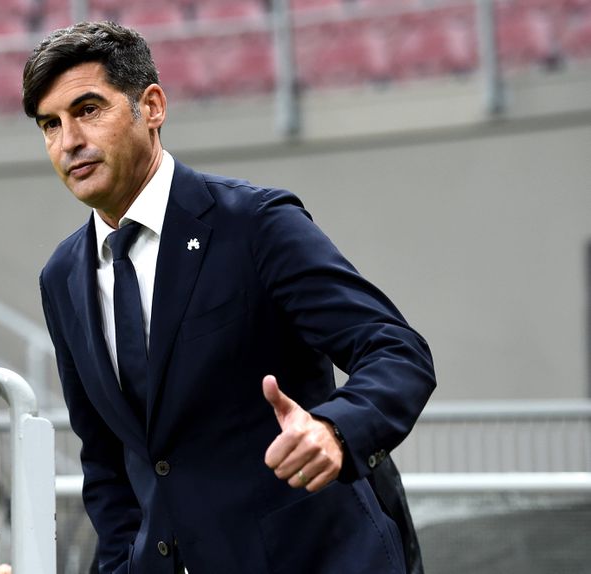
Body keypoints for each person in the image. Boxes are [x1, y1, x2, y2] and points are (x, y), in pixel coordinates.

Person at [25, 21, 436, 574]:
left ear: (152, 107)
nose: (69, 141)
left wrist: (336, 429)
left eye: (89, 110)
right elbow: (107, 464)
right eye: (50, 124)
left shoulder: (256, 224)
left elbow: (395, 349)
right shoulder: (61, 277)